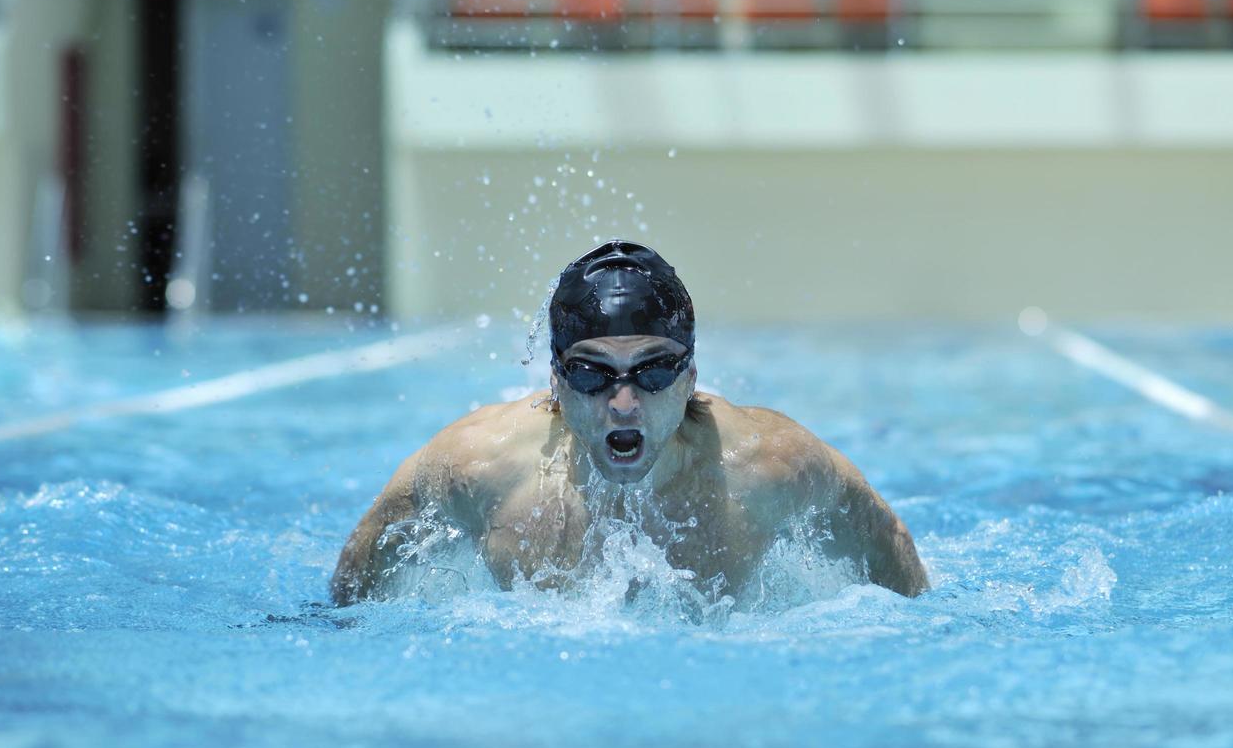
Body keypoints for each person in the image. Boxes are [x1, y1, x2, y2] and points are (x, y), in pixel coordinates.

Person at [331, 240, 927, 606]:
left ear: (691, 380)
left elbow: (895, 562)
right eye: (593, 374)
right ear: (558, 384)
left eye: (653, 370)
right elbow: (355, 585)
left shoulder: (771, 467)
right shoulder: (476, 467)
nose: (623, 402)